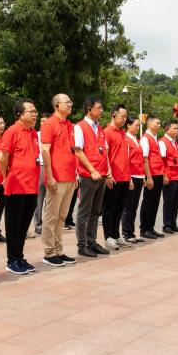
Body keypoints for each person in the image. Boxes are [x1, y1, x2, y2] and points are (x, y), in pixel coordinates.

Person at [0, 98, 41, 272]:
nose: (35, 114)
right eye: (31, 112)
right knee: (14, 225)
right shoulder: (12, 131)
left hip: (31, 186)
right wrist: (6, 177)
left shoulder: (33, 133)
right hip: (16, 185)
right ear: (19, 114)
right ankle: (12, 260)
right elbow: (3, 158)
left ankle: (19, 257)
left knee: (24, 225)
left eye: (35, 111)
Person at [39, 94, 78, 265]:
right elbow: (45, 150)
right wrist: (50, 176)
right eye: (66, 102)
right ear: (57, 105)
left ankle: (58, 250)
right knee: (51, 217)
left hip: (70, 176)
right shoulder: (49, 124)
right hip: (57, 177)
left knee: (62, 216)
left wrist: (75, 174)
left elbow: (72, 151)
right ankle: (49, 253)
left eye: (70, 101)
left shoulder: (69, 125)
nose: (70, 104)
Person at [73, 97, 110, 257]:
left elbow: (105, 151)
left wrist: (107, 171)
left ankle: (92, 241)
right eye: (99, 107)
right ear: (89, 109)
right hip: (88, 175)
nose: (101, 110)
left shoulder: (99, 128)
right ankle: (82, 245)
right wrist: (92, 170)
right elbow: (78, 151)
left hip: (101, 175)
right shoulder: (80, 127)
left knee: (96, 211)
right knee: (84, 211)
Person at [101, 104, 133, 251]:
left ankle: (116, 234)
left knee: (120, 208)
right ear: (113, 115)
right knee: (109, 208)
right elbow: (105, 155)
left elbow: (126, 157)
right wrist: (108, 174)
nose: (125, 119)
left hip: (124, 177)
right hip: (113, 177)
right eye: (122, 116)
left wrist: (129, 178)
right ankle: (108, 237)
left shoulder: (123, 133)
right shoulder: (107, 132)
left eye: (126, 116)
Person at [139, 116, 167, 239]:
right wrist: (149, 177)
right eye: (157, 123)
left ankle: (151, 227)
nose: (159, 125)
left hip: (158, 174)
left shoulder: (155, 138)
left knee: (155, 202)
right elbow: (144, 159)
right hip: (151, 175)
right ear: (149, 124)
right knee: (148, 202)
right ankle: (144, 229)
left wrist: (163, 174)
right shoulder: (145, 138)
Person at [161, 121, 178, 234]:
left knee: (176, 202)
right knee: (169, 202)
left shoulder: (174, 142)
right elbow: (161, 160)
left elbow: (177, 155)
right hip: (170, 177)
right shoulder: (163, 142)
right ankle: (167, 225)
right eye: (174, 128)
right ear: (167, 129)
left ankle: (173, 224)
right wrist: (164, 175)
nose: (177, 131)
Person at [122, 118, 146, 244]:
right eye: (136, 125)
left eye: (139, 126)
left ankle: (131, 232)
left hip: (139, 176)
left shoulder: (136, 140)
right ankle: (126, 233)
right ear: (128, 125)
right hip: (131, 176)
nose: (138, 128)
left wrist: (143, 176)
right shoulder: (126, 139)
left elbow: (140, 159)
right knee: (128, 206)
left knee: (134, 206)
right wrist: (129, 178)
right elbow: (125, 160)